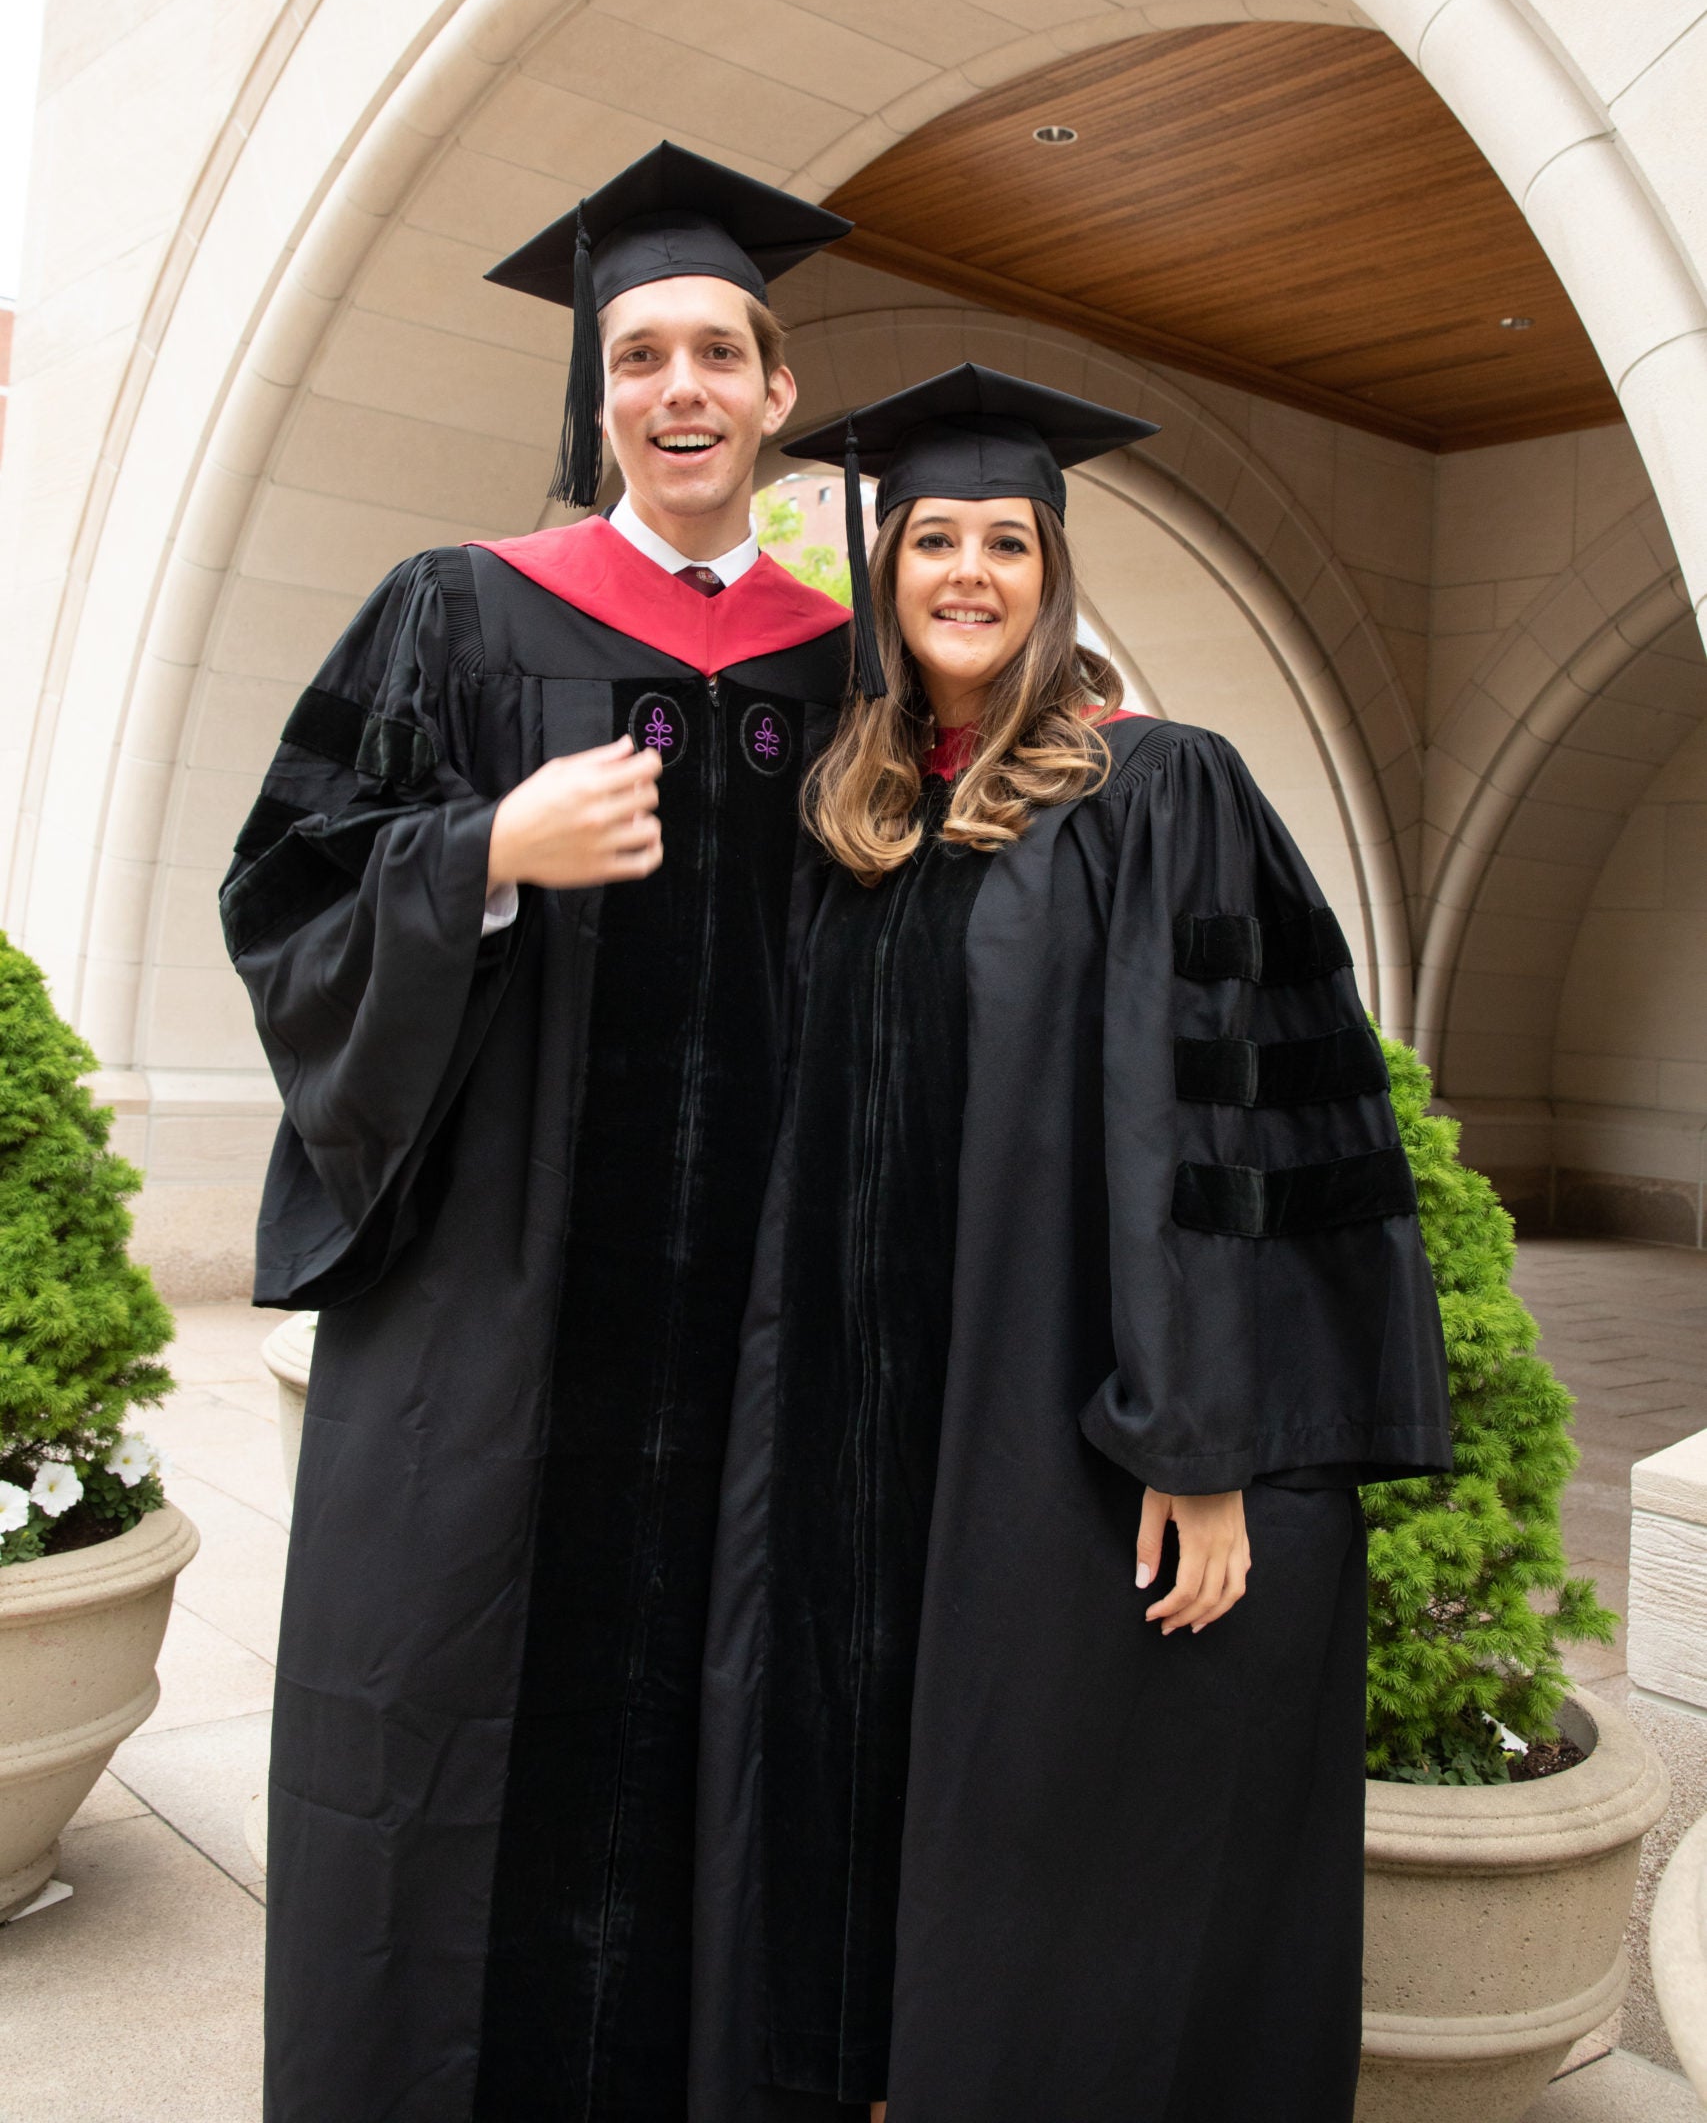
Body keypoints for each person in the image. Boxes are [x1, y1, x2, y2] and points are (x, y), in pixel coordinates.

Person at [690, 364, 1453, 2123]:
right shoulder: (853, 821)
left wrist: (1199, 1447)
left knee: (1042, 1805)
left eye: (1008, 543)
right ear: (885, 577)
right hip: (858, 1424)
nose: (969, 571)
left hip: (1050, 1416)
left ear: (1055, 574)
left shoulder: (1153, 789)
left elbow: (1214, 1139)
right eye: (935, 539)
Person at [221, 143, 855, 2122]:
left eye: (715, 353)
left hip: (752, 1333)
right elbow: (286, 887)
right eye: (638, 352)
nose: (678, 386)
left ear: (775, 393)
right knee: (458, 1729)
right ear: (599, 399)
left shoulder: (840, 673)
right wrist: (484, 848)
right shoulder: (456, 613)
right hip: (503, 1325)